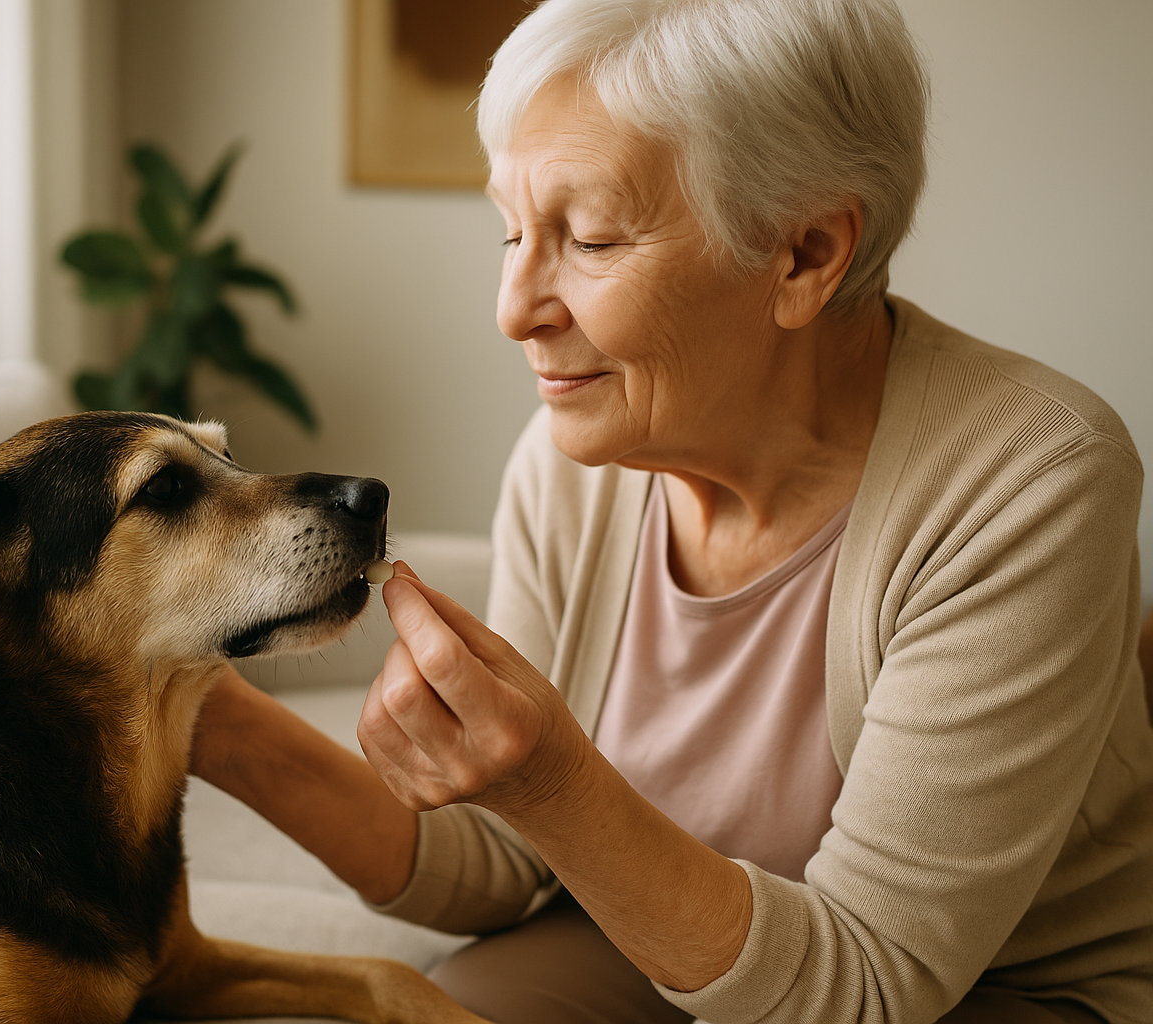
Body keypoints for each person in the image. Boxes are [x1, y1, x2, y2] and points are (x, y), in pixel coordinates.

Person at [191, 0, 1153, 1021]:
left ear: (806, 255)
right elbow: (503, 860)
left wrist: (552, 777)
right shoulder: (577, 462)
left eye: (591, 238)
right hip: (655, 936)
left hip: (988, 989)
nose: (514, 309)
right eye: (512, 231)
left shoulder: (1032, 478)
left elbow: (864, 988)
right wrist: (209, 717)